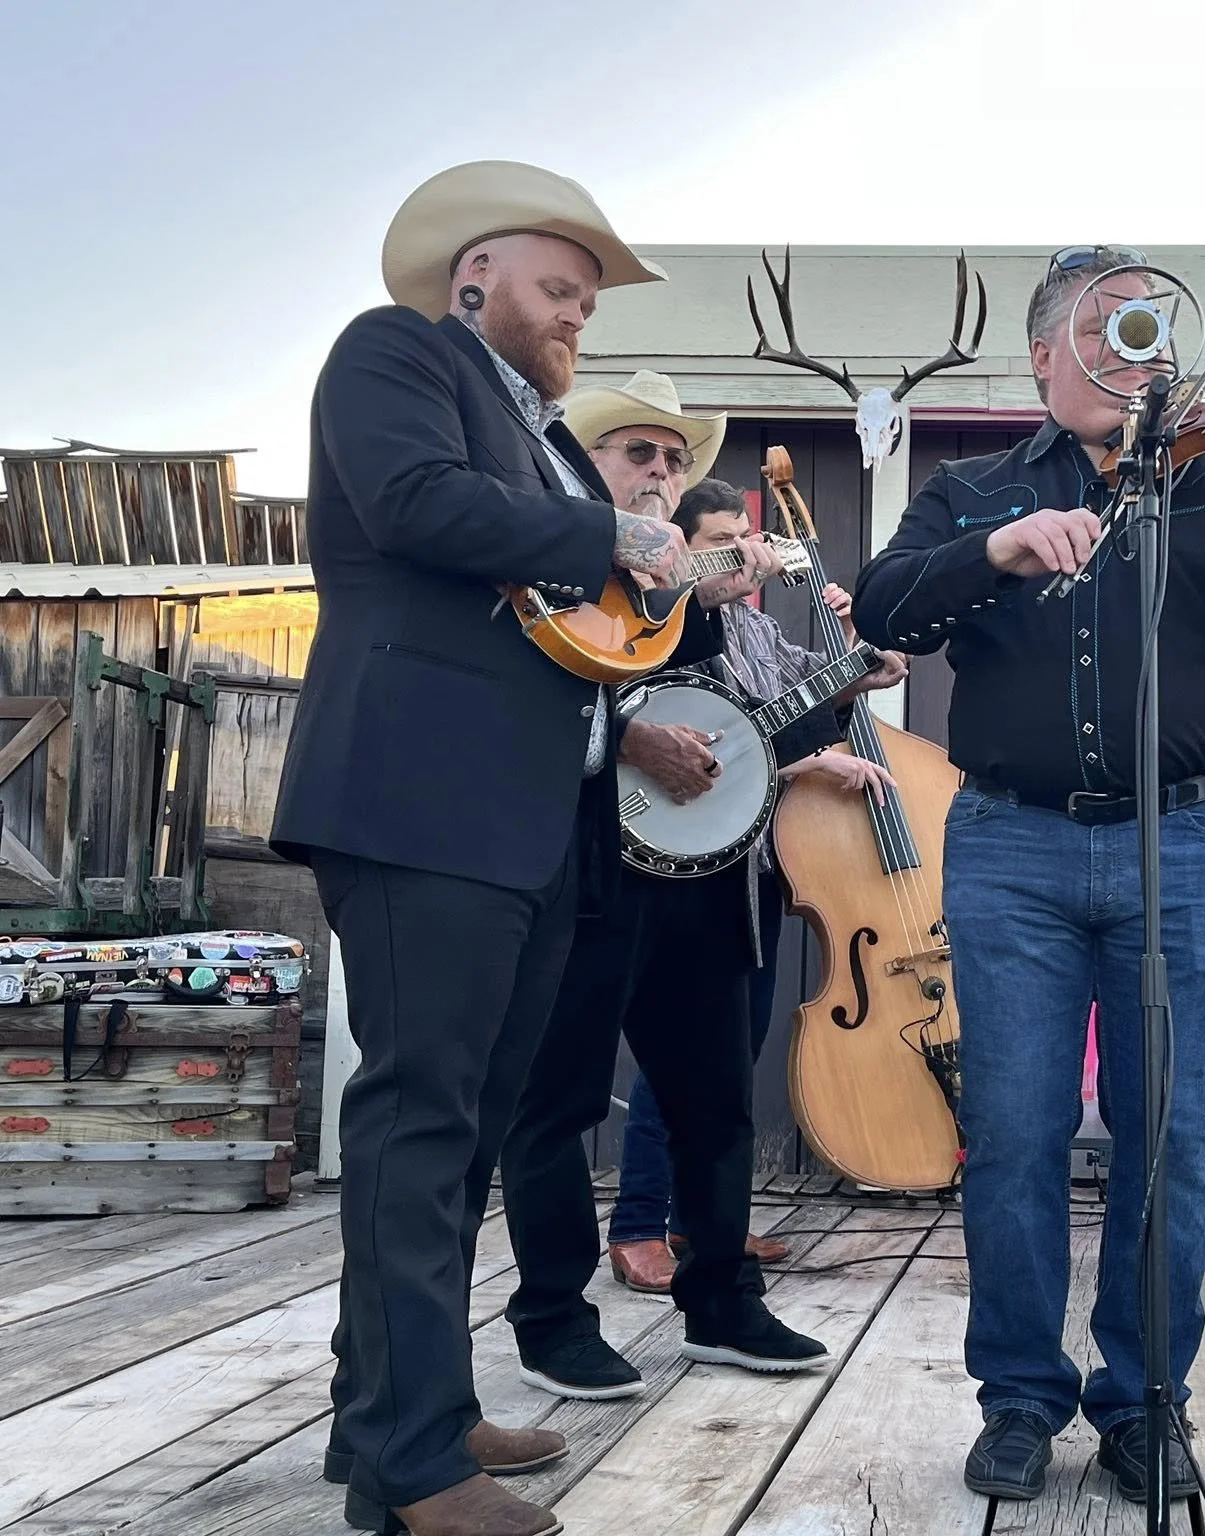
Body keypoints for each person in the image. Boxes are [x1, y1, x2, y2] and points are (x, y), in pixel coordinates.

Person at [851, 244, 1205, 1503]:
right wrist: (993, 553)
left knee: (1169, 1143)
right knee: (1013, 1134)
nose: (1126, 343)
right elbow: (879, 609)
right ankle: (1021, 1400)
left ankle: (1147, 1400)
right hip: (1011, 843)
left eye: (1144, 323)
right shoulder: (972, 484)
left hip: (1185, 842)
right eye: (1099, 324)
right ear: (1043, 355)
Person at [271, 162, 726, 1536]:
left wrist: (662, 581)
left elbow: (579, 619)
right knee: (420, 1126)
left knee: (459, 1133)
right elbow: (415, 505)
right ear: (473, 280)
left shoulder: (547, 444)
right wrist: (618, 532)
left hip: (524, 821)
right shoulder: (396, 351)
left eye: (587, 296)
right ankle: (410, 1475)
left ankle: (405, 1408)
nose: (578, 308)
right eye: (558, 285)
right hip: (422, 799)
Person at [496, 378, 899, 1399]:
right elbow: (523, 699)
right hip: (589, 875)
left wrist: (846, 679)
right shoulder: (556, 572)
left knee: (714, 1106)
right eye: (640, 455)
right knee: (559, 1104)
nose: (662, 476)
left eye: (673, 462)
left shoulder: (717, 609)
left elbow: (757, 737)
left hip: (714, 886)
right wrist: (631, 736)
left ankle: (720, 1302)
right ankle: (551, 1319)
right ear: (590, 469)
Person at [605, 476, 904, 1294]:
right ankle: (637, 1224)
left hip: (764, 863)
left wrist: (867, 650)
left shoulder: (760, 628)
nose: (748, 555)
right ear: (684, 550)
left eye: (752, 538)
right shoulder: (666, 625)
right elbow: (722, 730)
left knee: (731, 1054)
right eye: (724, 542)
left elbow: (812, 691)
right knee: (681, 1053)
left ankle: (712, 1225)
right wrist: (814, 758)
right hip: (688, 860)